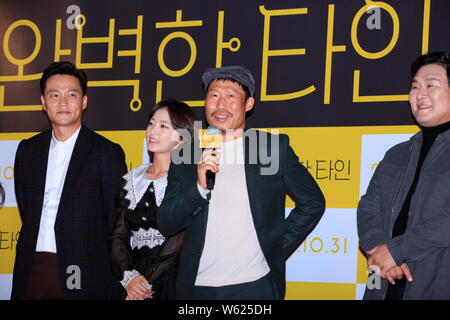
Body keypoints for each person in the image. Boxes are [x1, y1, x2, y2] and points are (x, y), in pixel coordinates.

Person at [157, 65, 325, 299]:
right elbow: (166, 222)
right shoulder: (185, 154)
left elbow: (313, 202)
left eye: (230, 96)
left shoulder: (271, 149)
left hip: (254, 286)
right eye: (214, 95)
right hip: (196, 289)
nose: (221, 104)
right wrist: (198, 188)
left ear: (248, 104)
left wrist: (275, 246)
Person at [11, 61, 127, 300]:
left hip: (83, 270)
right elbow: (26, 208)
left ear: (84, 101)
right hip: (32, 266)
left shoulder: (106, 152)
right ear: (43, 102)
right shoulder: (27, 150)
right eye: (54, 95)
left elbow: (115, 221)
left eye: (71, 94)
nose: (63, 102)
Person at [357, 52, 450, 299]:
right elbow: (368, 206)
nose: (420, 94)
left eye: (431, 85)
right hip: (383, 284)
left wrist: (397, 251)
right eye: (415, 87)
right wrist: (380, 251)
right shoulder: (397, 154)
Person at [110, 99, 196, 300]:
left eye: (164, 126)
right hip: (131, 281)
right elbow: (117, 235)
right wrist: (129, 278)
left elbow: (180, 239)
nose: (153, 131)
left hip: (173, 280)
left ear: (183, 137)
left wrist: (145, 284)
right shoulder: (131, 179)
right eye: (151, 123)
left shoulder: (191, 181)